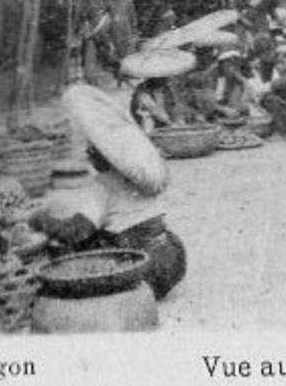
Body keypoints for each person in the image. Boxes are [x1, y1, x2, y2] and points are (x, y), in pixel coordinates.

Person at [30, 87, 187, 299]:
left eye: (92, 152)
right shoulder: (141, 179)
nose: (88, 156)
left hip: (141, 267)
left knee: (73, 244)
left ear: (105, 158)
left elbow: (76, 231)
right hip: (170, 261)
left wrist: (42, 220)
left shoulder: (102, 187)